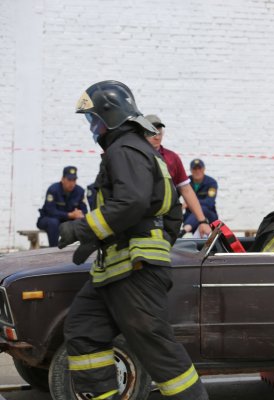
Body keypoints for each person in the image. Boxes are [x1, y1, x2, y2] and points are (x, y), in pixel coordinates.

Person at [58, 80, 209, 400]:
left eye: (94, 119)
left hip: (134, 270)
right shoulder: (139, 150)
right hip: (116, 268)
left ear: (111, 116)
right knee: (83, 331)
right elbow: (170, 214)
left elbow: (132, 201)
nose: (92, 127)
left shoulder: (124, 148)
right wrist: (103, 237)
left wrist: (83, 229)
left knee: (155, 347)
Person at [145, 114, 212, 238]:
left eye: (159, 132)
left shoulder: (172, 158)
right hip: (141, 220)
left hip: (166, 222)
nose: (157, 136)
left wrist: (202, 221)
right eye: (152, 132)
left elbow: (186, 190)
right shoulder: (133, 156)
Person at [36, 166, 87, 247]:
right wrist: (70, 215)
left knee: (84, 221)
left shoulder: (80, 191)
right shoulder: (53, 190)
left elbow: (84, 211)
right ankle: (54, 249)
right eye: (69, 180)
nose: (72, 183)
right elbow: (50, 211)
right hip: (48, 219)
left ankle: (83, 248)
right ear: (63, 179)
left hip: (67, 221)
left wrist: (80, 214)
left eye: (74, 180)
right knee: (53, 222)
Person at [183, 158, 219, 232]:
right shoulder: (185, 182)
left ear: (204, 169)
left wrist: (190, 203)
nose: (197, 171)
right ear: (191, 170)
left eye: (199, 168)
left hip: (209, 216)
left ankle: (185, 230)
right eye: (194, 169)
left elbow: (210, 203)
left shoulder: (211, 182)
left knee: (202, 208)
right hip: (190, 216)